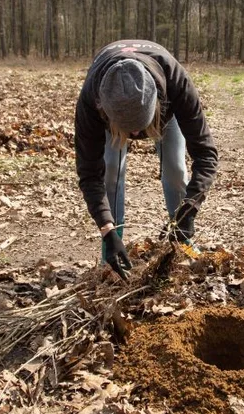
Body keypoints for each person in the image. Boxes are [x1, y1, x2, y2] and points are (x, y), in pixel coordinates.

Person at [75, 40, 219, 279]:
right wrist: (106, 229)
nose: (134, 136)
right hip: (111, 113)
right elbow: (89, 173)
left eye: (138, 127)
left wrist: (189, 209)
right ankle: (113, 242)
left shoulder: (176, 83)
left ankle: (181, 235)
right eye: (127, 129)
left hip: (165, 113)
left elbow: (206, 155)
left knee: (175, 168)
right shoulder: (92, 100)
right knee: (110, 170)